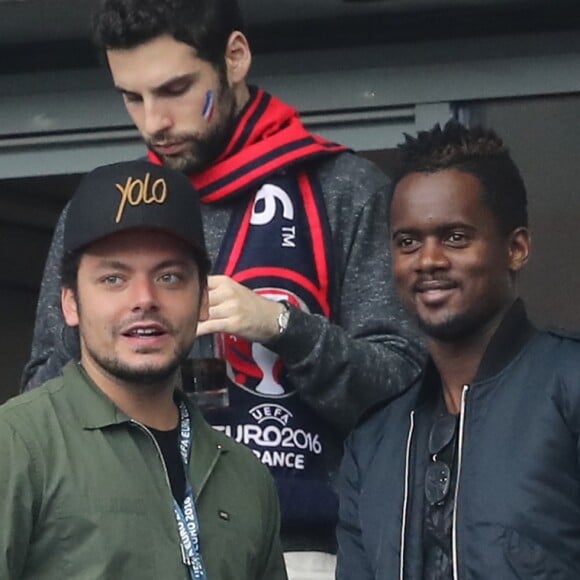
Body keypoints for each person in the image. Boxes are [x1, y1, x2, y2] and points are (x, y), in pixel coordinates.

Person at [21, 1, 424, 576]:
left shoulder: (343, 191)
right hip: (127, 542)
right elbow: (43, 391)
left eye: (175, 88)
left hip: (311, 545)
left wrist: (285, 327)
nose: (154, 121)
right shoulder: (102, 214)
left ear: (234, 57)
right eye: (132, 98)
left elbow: (407, 396)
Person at [1, 160, 287, 580]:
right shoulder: (17, 445)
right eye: (113, 278)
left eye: (169, 276)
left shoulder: (245, 475)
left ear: (203, 300)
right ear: (69, 303)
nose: (144, 299)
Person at [336, 122, 580, 579]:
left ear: (516, 248)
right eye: (408, 242)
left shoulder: (568, 384)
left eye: (455, 237)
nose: (428, 261)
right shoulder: (373, 446)